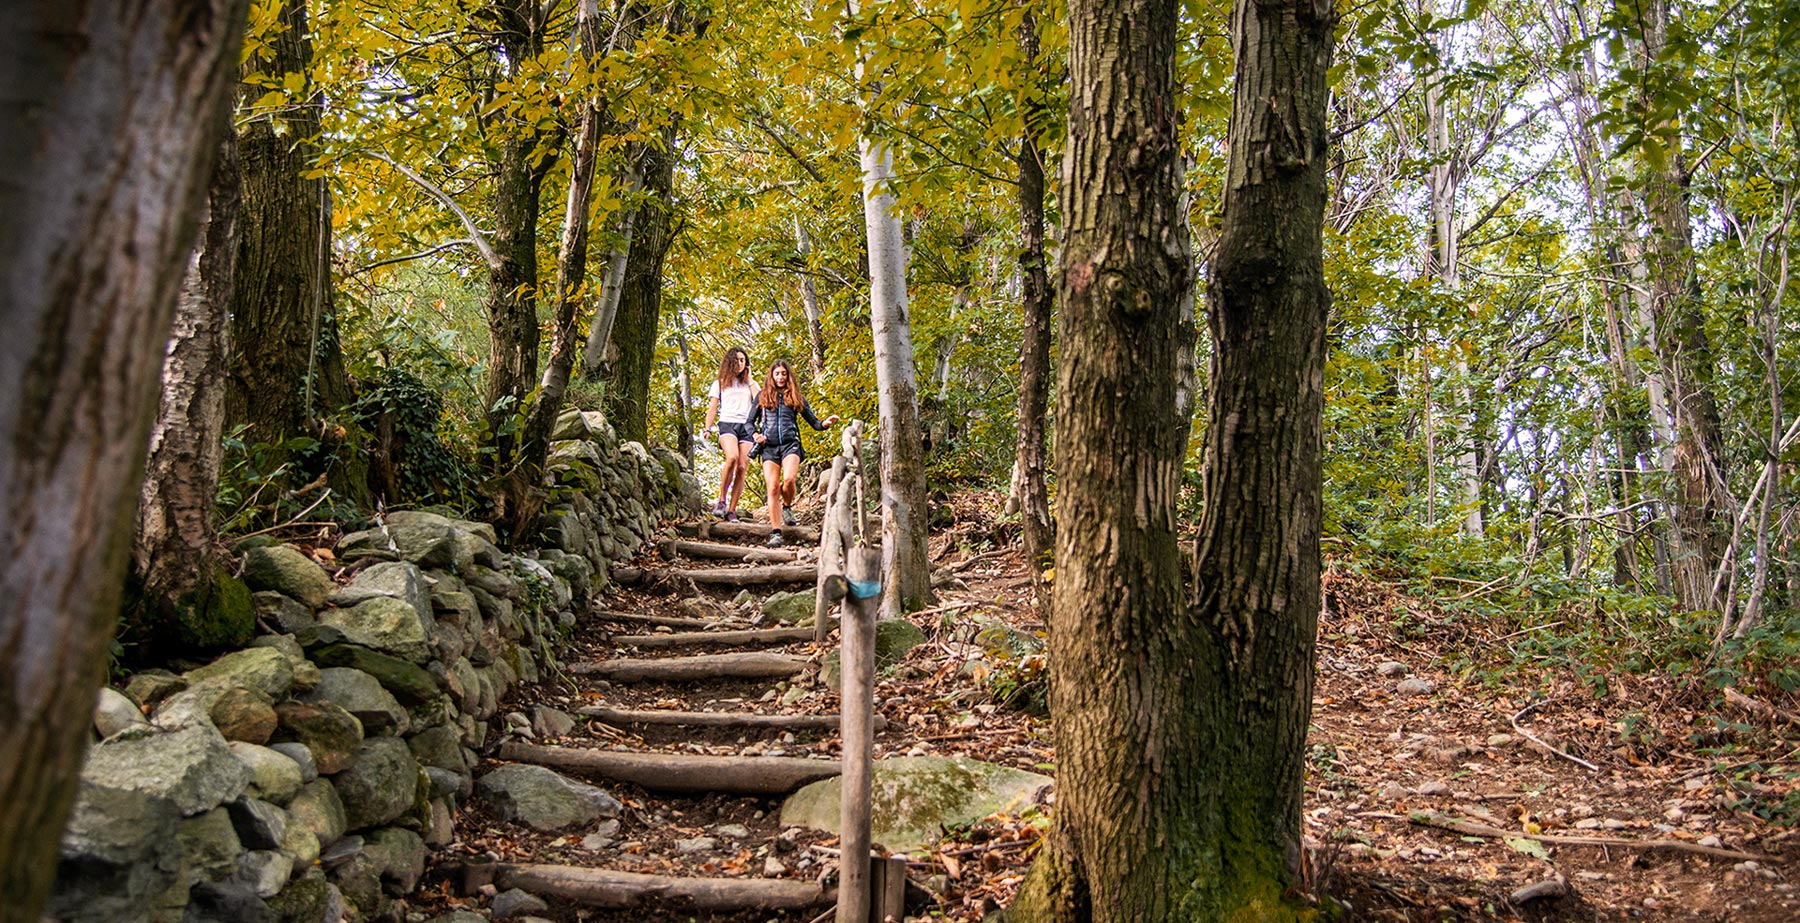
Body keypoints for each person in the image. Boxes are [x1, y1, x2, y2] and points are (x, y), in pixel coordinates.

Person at [748, 360, 838, 547]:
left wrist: (826, 423)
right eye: (777, 374)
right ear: (771, 376)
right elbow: (748, 423)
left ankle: (787, 507)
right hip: (769, 447)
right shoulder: (762, 397)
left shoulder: (796, 397)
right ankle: (776, 533)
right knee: (772, 487)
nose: (780, 377)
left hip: (791, 445)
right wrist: (755, 434)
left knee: (789, 480)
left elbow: (814, 422)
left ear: (788, 376)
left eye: (783, 374)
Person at [703, 347, 758, 521]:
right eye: (737, 360)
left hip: (747, 426)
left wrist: (750, 380)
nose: (740, 363)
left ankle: (732, 510)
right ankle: (721, 501)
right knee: (732, 458)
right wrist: (707, 428)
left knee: (742, 466)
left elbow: (760, 402)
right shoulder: (719, 382)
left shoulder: (751, 383)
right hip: (727, 424)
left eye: (743, 360)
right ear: (729, 362)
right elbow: (712, 407)